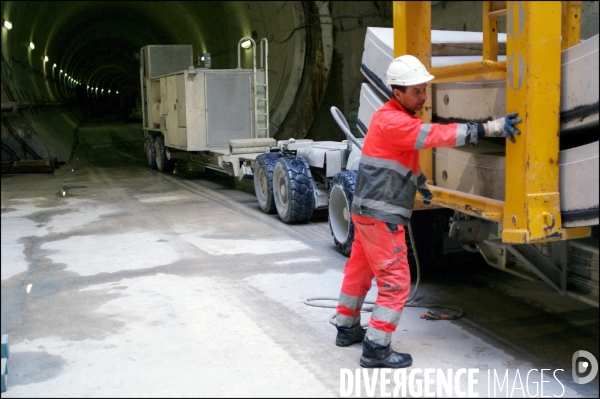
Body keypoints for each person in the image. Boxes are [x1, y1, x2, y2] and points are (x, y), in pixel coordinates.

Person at [334, 54, 521, 368]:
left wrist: (420, 184)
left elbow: (398, 159)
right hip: (382, 215)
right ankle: (376, 348)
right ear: (398, 92)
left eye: (424, 90)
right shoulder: (396, 122)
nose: (423, 97)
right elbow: (436, 136)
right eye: (417, 92)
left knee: (359, 270)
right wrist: (489, 128)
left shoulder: (385, 117)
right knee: (396, 281)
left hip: (366, 210)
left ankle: (346, 327)